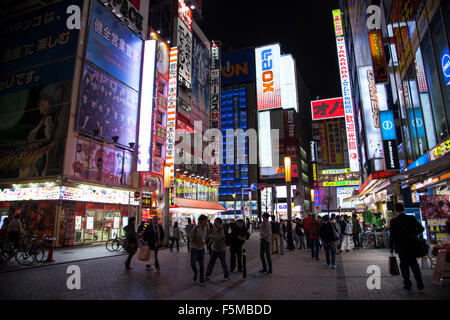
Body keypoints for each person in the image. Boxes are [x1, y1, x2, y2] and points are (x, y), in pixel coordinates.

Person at [389, 203, 425, 291]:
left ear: (395, 210)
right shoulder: (411, 218)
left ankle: (407, 283)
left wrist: (391, 246)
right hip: (412, 245)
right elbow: (421, 229)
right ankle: (420, 283)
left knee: (404, 265)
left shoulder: (394, 221)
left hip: (401, 247)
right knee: (414, 264)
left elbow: (392, 235)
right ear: (403, 209)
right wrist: (413, 235)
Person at [189, 215, 209, 286]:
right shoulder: (195, 228)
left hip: (202, 249)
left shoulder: (207, 228)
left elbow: (206, 236)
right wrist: (199, 240)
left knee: (201, 264)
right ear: (201, 221)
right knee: (193, 263)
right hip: (194, 248)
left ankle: (201, 280)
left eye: (207, 221)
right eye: (205, 220)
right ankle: (195, 272)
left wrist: (205, 241)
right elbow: (190, 237)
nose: (206, 222)